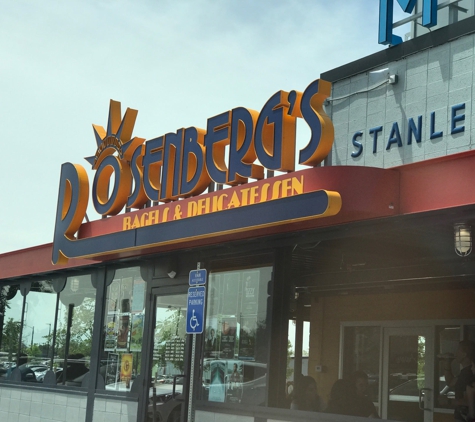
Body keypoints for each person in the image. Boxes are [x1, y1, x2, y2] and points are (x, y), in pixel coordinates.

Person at [442, 340, 475, 421]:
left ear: (464, 354)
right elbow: (450, 382)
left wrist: (448, 401)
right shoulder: (464, 372)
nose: (455, 354)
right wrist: (447, 363)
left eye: (458, 351)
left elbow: (470, 401)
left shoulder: (469, 374)